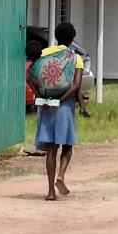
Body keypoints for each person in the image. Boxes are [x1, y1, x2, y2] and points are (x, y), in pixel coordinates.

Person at [28, 22, 84, 202]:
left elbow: (29, 75)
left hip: (46, 107)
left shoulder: (45, 53)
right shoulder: (75, 58)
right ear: (72, 39)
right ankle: (61, 175)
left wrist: (39, 96)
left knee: (51, 149)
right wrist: (62, 100)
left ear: (56, 36)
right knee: (67, 146)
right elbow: (76, 85)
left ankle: (51, 191)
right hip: (64, 106)